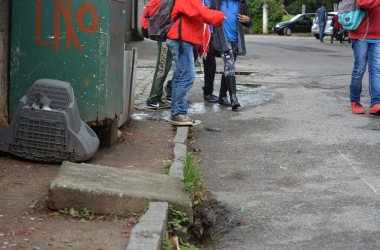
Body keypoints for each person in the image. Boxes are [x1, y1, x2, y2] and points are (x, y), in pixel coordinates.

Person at [165, 0, 225, 126]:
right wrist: (219, 16)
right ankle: (178, 113)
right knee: (187, 75)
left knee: (180, 76)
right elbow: (199, 11)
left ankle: (176, 113)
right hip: (181, 40)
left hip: (181, 39)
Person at [211, 0, 252, 110]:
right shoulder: (217, 2)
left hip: (236, 41)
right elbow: (209, 17)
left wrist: (247, 20)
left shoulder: (241, 3)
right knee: (230, 66)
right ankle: (233, 97)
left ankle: (222, 95)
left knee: (228, 68)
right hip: (223, 40)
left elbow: (248, 22)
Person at [348, 0, 380, 115]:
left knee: (376, 69)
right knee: (359, 69)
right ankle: (355, 100)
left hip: (377, 35)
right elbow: (363, 3)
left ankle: (376, 103)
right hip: (360, 34)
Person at [140, 0, 172, 109]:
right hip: (164, 35)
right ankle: (153, 98)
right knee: (162, 67)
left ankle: (160, 95)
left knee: (163, 67)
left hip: (166, 34)